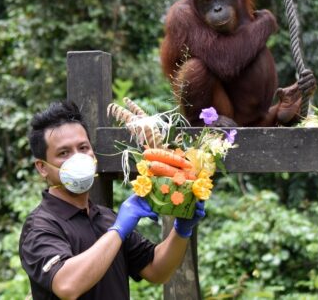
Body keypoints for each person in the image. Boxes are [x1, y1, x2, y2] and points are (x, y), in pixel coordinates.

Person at [19, 100, 204, 299]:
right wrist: (118, 230)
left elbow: (156, 270)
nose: (78, 158)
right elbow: (67, 285)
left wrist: (181, 230)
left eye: (83, 148)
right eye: (63, 153)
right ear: (42, 167)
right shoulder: (40, 226)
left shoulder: (106, 217)